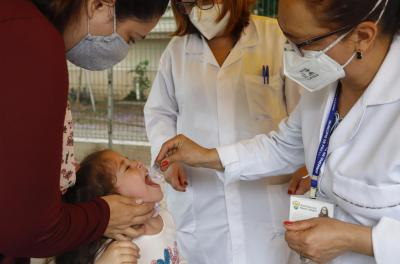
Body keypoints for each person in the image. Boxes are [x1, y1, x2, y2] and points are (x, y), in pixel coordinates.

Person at [154, 0, 400, 263]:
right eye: (287, 40)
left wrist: (358, 239)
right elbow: (283, 146)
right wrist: (207, 156)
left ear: (362, 37)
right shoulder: (327, 86)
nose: (291, 54)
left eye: (301, 43)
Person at [0, 0, 168, 262]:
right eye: (130, 38)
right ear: (99, 5)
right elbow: (28, 229)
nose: (123, 49)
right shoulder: (34, 42)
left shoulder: (19, 25)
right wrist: (102, 216)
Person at [144, 0, 306, 263]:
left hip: (265, 197)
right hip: (200, 196)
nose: (200, 8)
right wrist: (167, 160)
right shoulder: (176, 51)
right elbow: (159, 112)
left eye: (208, 0)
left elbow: (304, 113)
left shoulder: (276, 37)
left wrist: (305, 163)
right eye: (189, 3)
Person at [56, 150, 184, 264]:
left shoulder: (166, 218)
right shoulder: (112, 251)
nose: (139, 163)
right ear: (113, 201)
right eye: (127, 167)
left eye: (131, 161)